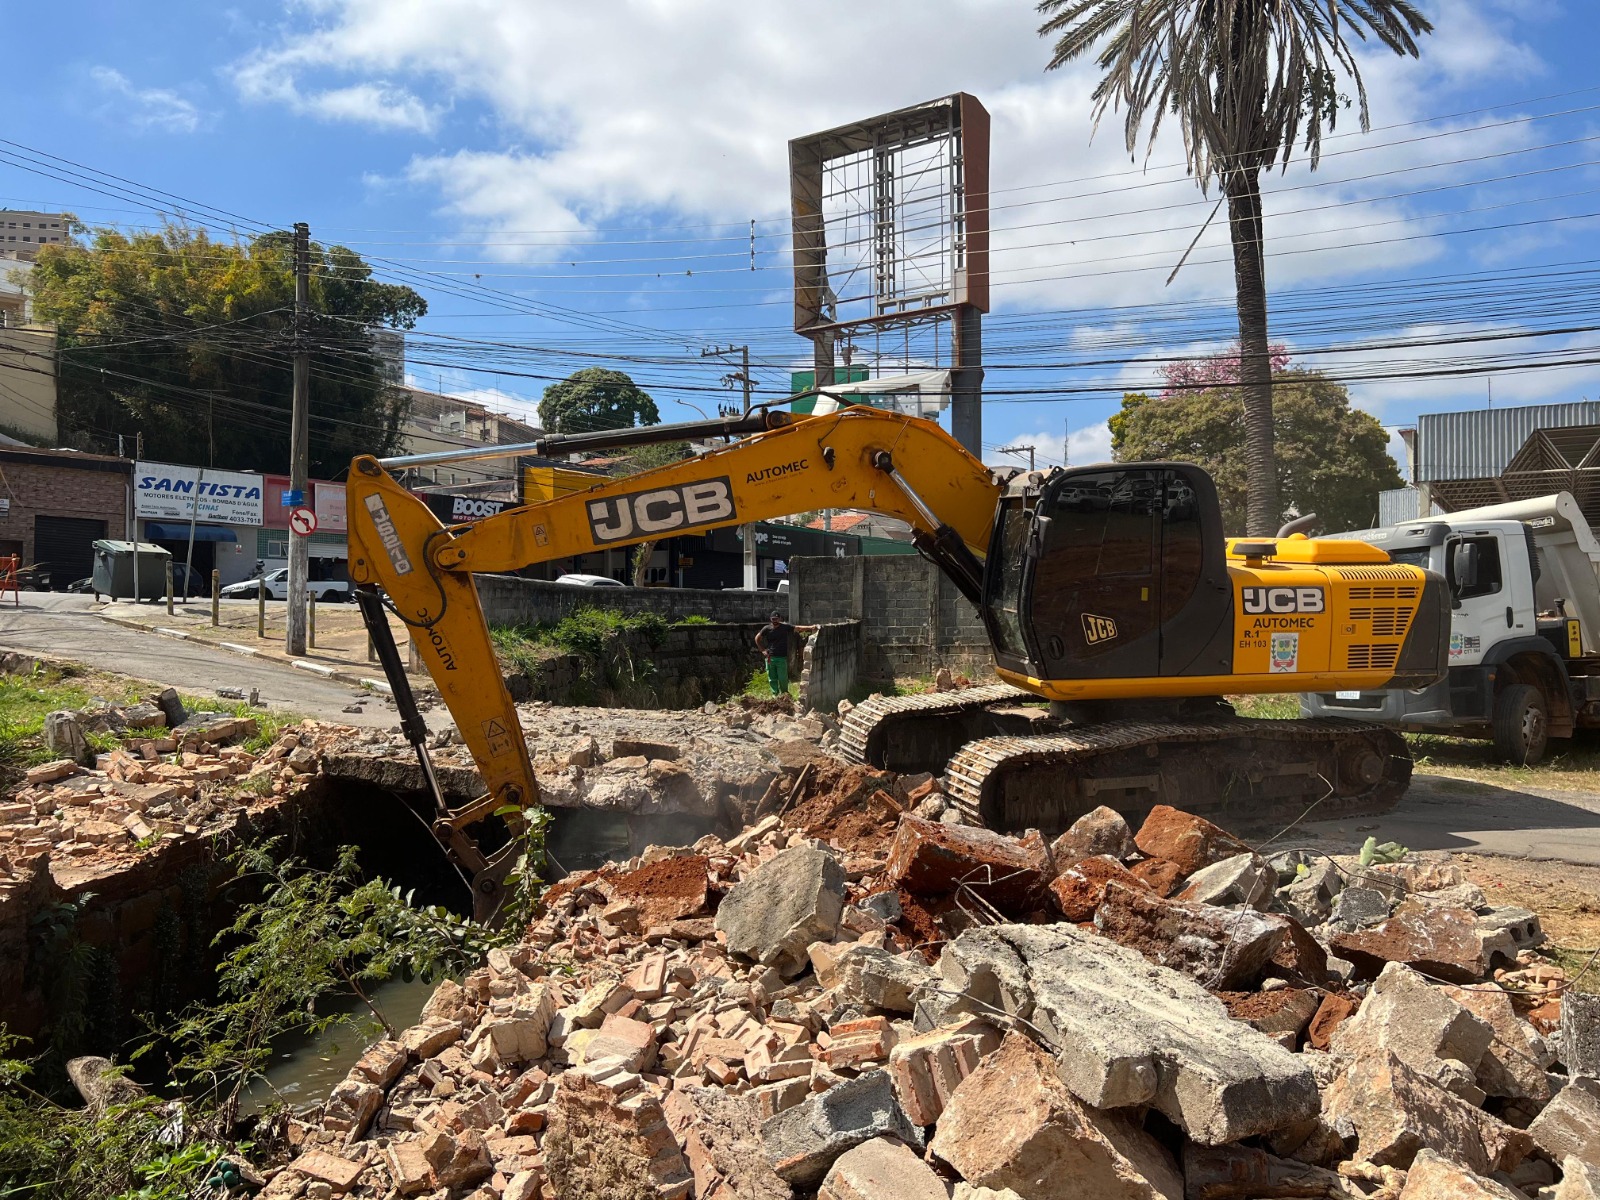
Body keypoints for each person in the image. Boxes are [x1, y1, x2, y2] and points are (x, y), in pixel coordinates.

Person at [754, 610, 815, 696]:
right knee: (772, 678)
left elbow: (798, 628)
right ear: (770, 619)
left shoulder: (784, 627)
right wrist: (763, 650)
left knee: (783, 678)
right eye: (773, 619)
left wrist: (811, 627)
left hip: (781, 657)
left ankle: (785, 695)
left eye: (776, 619)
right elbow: (757, 639)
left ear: (779, 619)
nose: (775, 621)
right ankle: (775, 695)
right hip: (770, 657)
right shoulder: (767, 629)